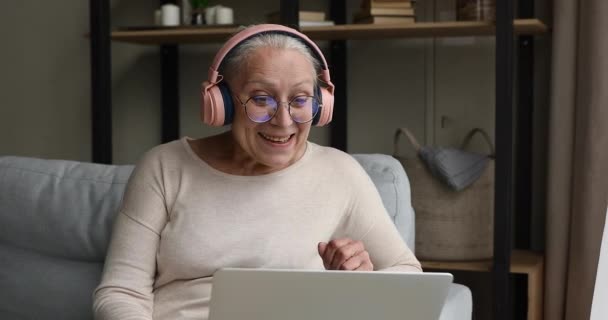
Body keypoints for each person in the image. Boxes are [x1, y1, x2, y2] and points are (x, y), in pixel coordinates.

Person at [93, 24, 421, 320]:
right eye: (261, 99)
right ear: (222, 102)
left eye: (300, 99)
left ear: (320, 105)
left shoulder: (340, 174)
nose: (283, 120)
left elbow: (409, 276)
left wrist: (366, 282)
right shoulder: (164, 167)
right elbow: (121, 291)